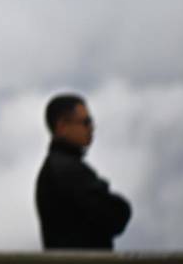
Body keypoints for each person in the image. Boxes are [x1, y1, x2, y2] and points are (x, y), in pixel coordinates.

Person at [36, 93, 132, 250]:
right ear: (62, 126)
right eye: (86, 122)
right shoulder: (68, 170)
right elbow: (114, 216)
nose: (91, 128)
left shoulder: (57, 167)